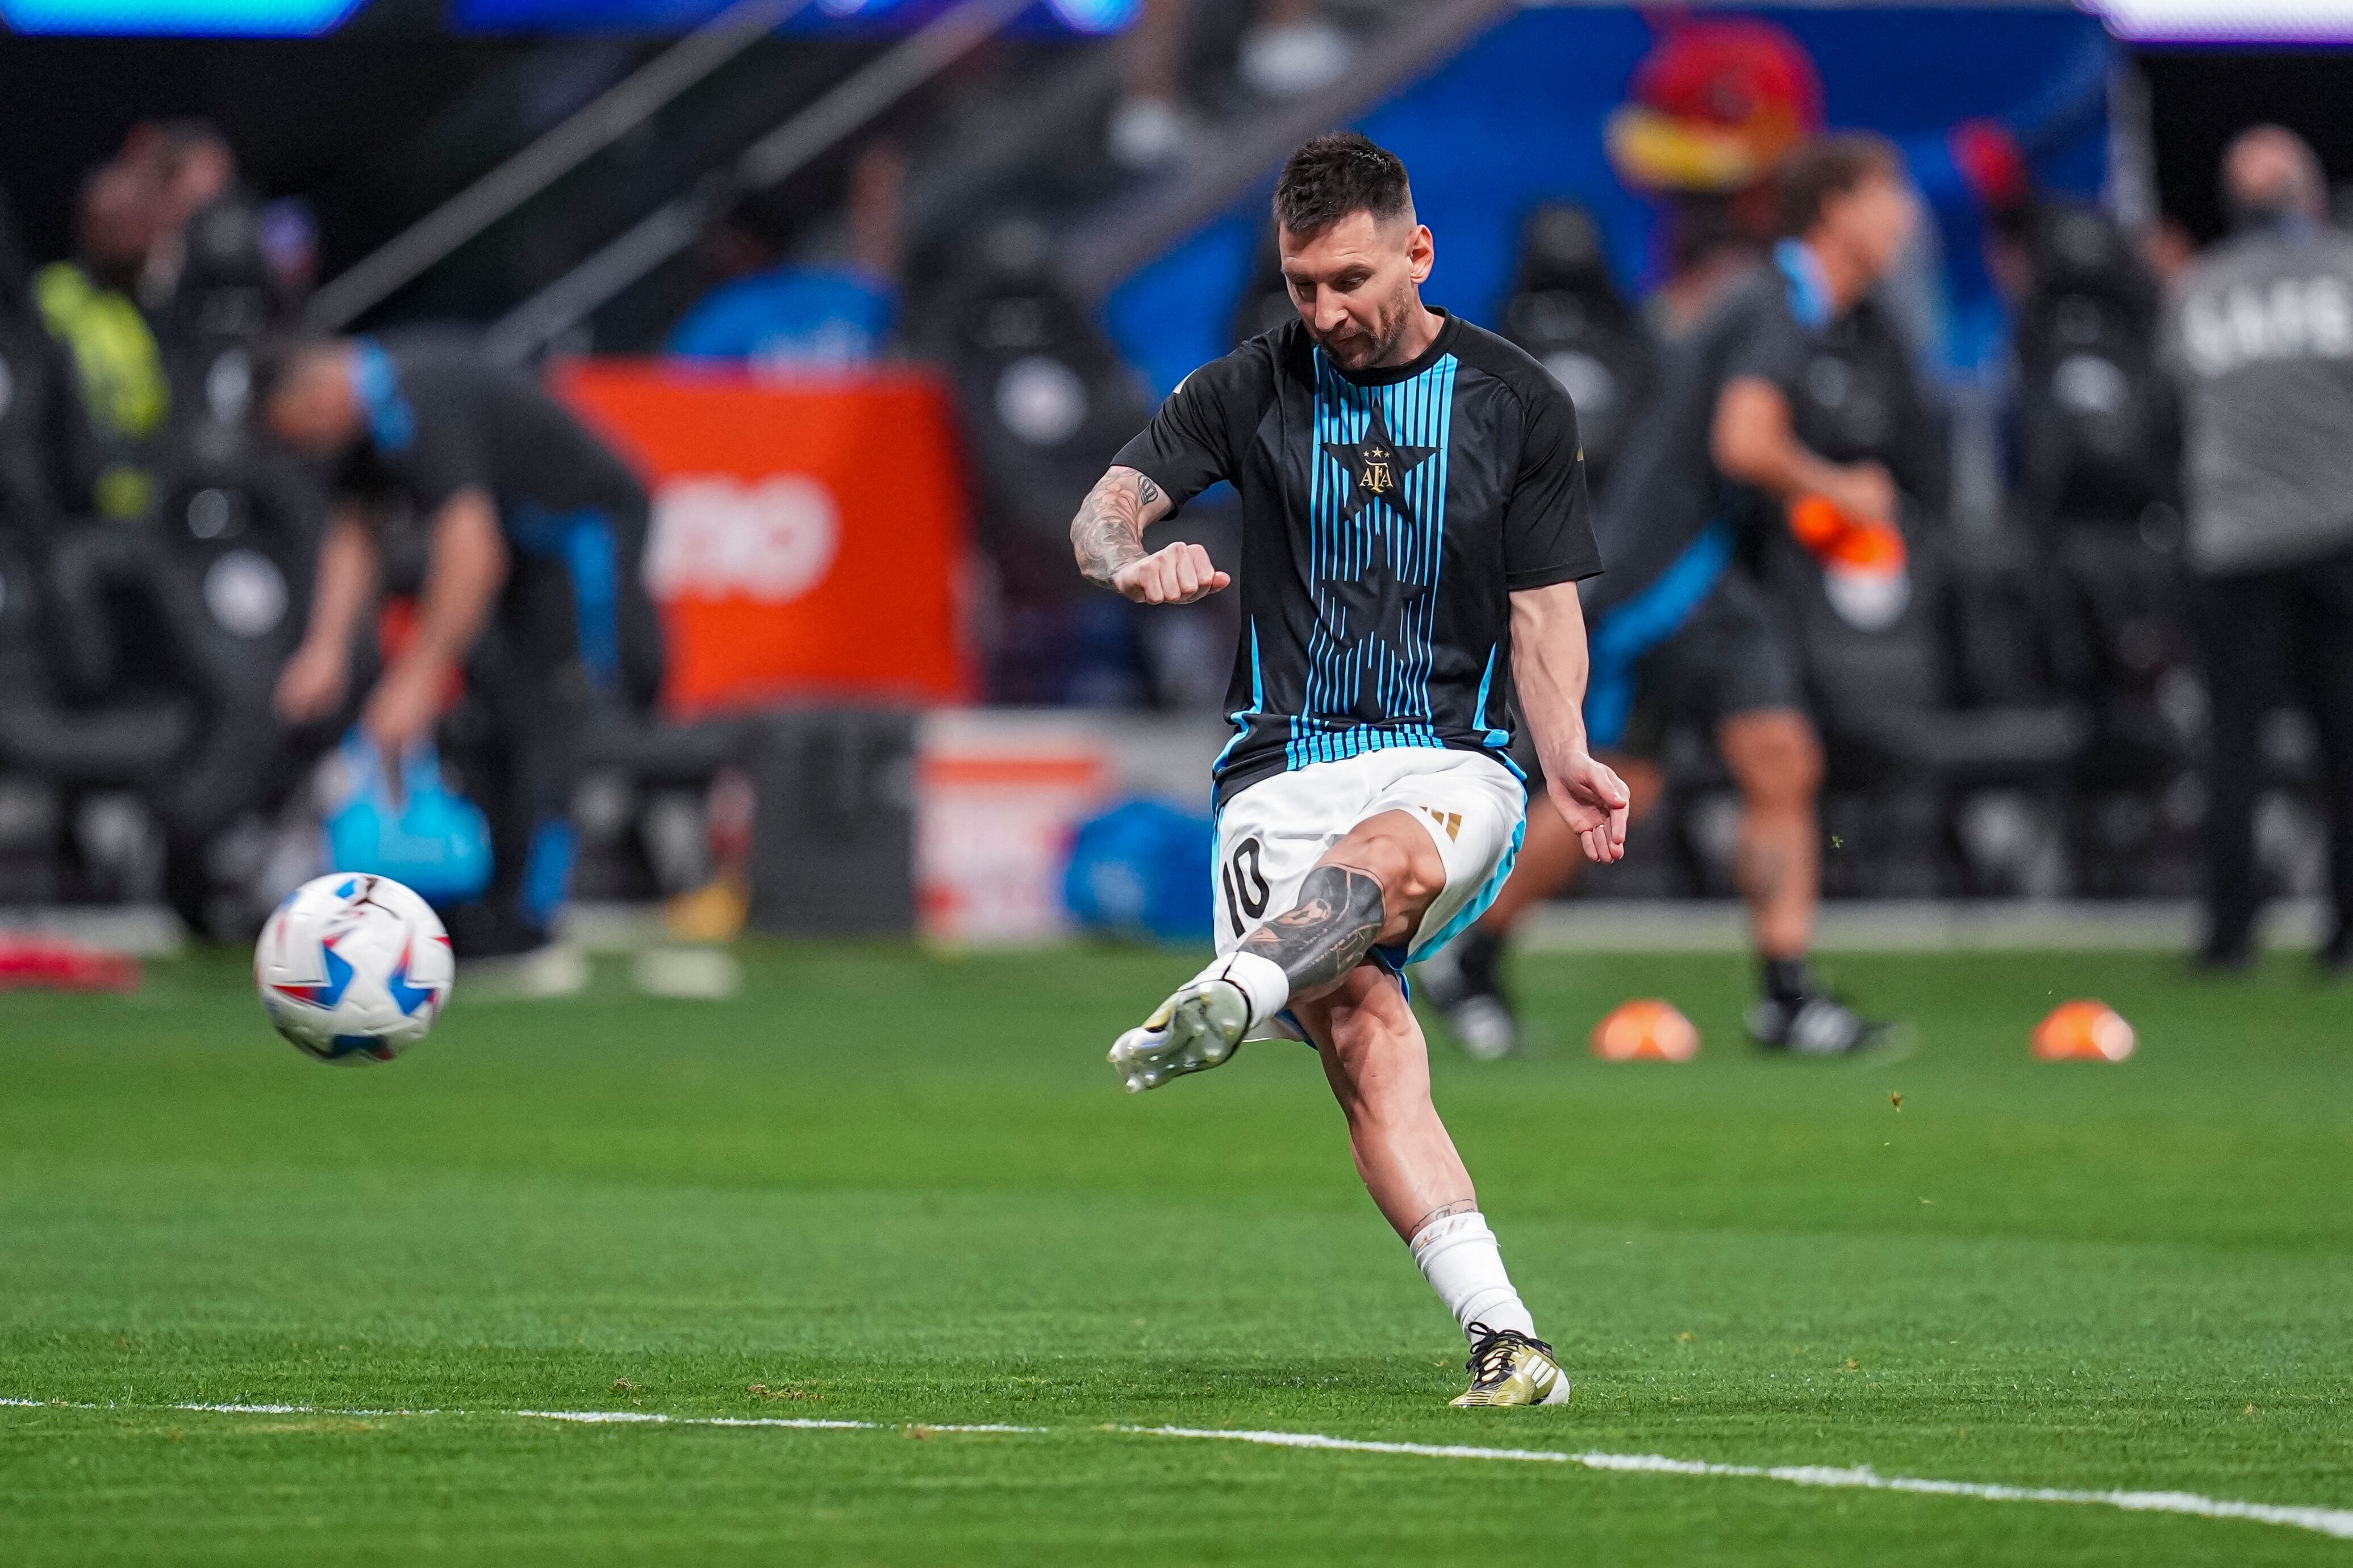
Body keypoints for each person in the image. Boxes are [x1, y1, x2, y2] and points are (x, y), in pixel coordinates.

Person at [1071, 133, 1630, 1406]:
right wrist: (1129, 562)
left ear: (1418, 250)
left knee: (1385, 864)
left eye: (1349, 281)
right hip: (1276, 773)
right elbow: (1103, 509)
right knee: (1366, 1032)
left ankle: (1239, 981)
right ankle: (1506, 1337)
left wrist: (1570, 755)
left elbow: (1543, 615)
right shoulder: (1248, 385)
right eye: (1301, 286)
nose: (1323, 313)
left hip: (1451, 758)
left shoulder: (1517, 402)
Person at [1425, 135, 1917, 1057]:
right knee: (1681, 778)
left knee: (1684, 778)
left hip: (1692, 577)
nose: (1907, 216)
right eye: (1889, 196)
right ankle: (1774, 996)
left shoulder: (1786, 305)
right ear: (1839, 209)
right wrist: (1841, 489)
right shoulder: (1777, 304)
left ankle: (1476, 961)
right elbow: (1743, 442)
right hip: (1664, 582)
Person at [261, 334, 664, 980]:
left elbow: (471, 548)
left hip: (578, 534)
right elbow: (355, 533)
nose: (308, 449)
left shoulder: (416, 402)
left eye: (305, 430)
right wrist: (326, 648)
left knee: (554, 718)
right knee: (489, 714)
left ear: (321, 394)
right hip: (521, 550)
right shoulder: (360, 433)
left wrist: (417, 679)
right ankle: (490, 898)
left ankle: (533, 917)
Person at [2166, 126, 2353, 972]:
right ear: (2306, 193)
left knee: (2232, 744)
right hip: (2335, 531)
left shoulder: (2198, 289)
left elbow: (2161, 412)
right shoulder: (2344, 271)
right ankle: (2344, 929)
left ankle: (2228, 932)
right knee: (2342, 738)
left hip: (2234, 540)